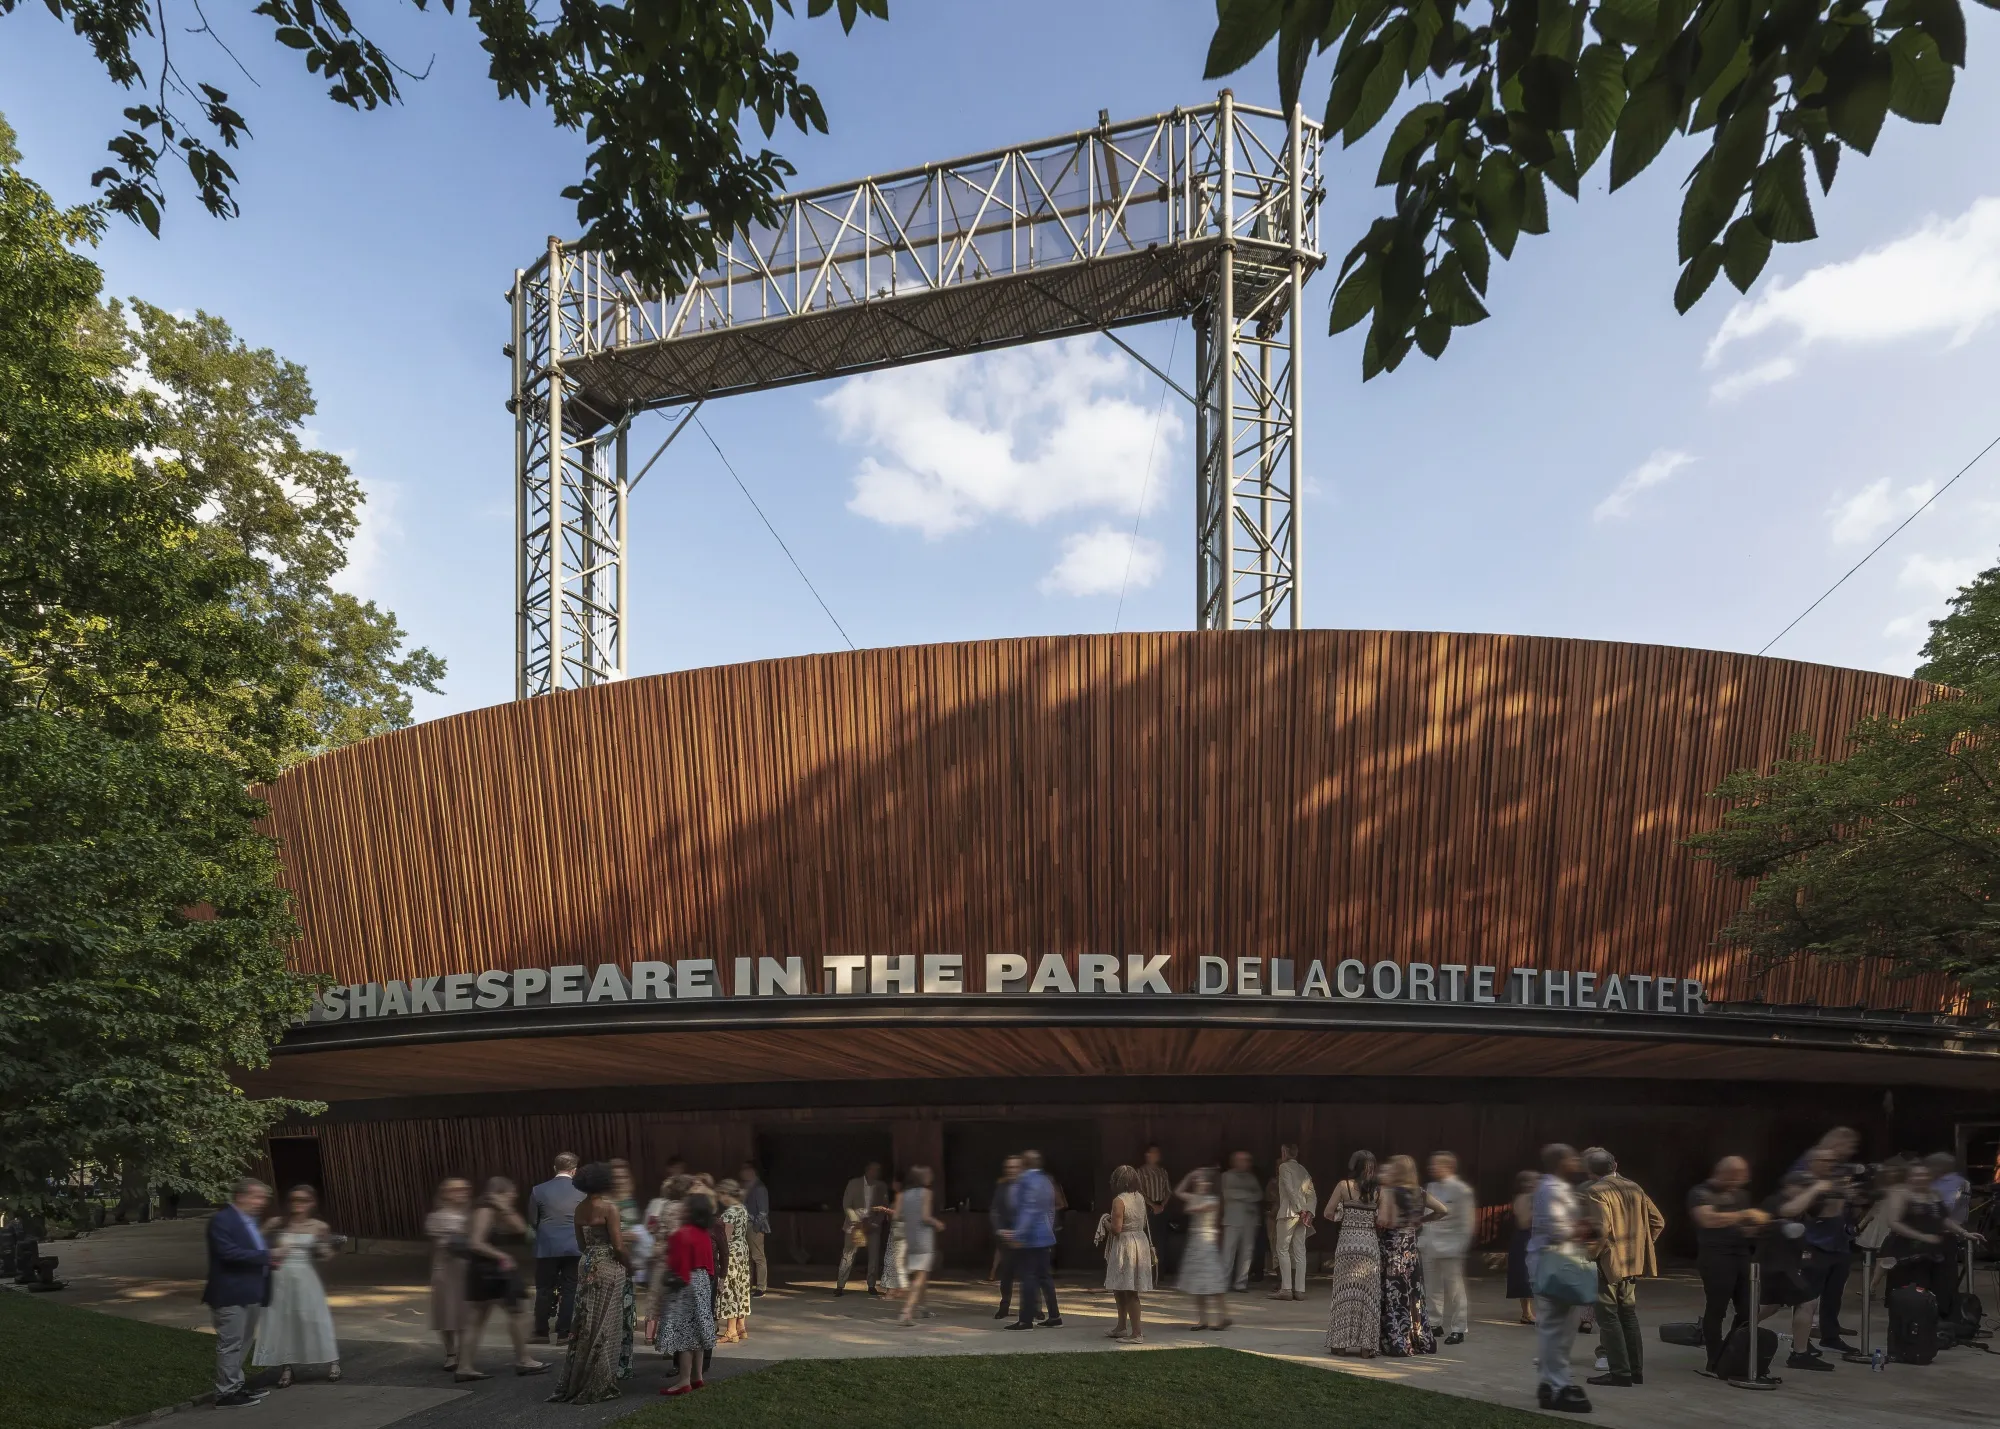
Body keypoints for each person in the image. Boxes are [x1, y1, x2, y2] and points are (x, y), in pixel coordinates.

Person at [1580, 1147, 1663, 1388]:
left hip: (1607, 1262)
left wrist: (1590, 1255)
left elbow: (1602, 1229)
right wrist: (1640, 1246)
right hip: (1632, 1262)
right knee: (1628, 1314)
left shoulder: (1595, 1191)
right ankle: (1635, 1371)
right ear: (1614, 1165)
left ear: (1589, 1171)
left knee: (1609, 1318)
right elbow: (1658, 1221)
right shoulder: (1634, 1187)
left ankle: (1620, 1372)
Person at [546, 1162, 629, 1404]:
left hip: (587, 1261)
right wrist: (630, 1265)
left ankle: (576, 1379)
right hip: (607, 1264)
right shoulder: (609, 1208)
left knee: (584, 1320)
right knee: (605, 1322)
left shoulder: (580, 1209)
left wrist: (592, 1255)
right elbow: (619, 1245)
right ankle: (598, 1382)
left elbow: (581, 1244)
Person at [459, 1177, 550, 1382]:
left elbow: (520, 1229)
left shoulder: (495, 1210)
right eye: (511, 1194)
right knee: (518, 1311)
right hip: (489, 1270)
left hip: (483, 1269)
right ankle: (523, 1360)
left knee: (480, 1318)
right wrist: (502, 1256)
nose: (513, 1198)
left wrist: (504, 1208)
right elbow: (475, 1243)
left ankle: (465, 1367)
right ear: (499, 1192)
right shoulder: (485, 1210)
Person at [1688, 1155, 1769, 1384]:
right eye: (1735, 1177)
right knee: (1717, 1309)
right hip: (1716, 1257)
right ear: (1722, 1173)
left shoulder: (1741, 1195)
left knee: (1747, 1309)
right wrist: (1744, 1215)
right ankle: (1714, 1359)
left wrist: (1757, 1226)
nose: (1738, 1183)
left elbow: (1744, 1226)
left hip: (1742, 1254)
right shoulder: (1701, 1192)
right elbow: (1707, 1219)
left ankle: (1731, 1353)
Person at [1528, 1143, 1594, 1413]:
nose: (1577, 1162)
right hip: (1556, 1263)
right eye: (1572, 1158)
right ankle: (1558, 1385)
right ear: (1560, 1162)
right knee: (1559, 1328)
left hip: (1554, 1260)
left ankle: (1549, 1381)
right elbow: (1558, 1229)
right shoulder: (1553, 1189)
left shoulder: (1553, 1187)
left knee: (1554, 1327)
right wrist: (1587, 1229)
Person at [254, 1185, 341, 1388]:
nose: (297, 1204)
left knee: (314, 1318)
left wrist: (328, 1246)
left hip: (305, 1275)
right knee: (283, 1319)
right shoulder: (278, 1223)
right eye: (294, 1200)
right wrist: (272, 1249)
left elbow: (326, 1255)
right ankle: (287, 1367)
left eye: (303, 1200)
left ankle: (332, 1362)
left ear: (312, 1203)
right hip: (280, 1276)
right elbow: (254, 1240)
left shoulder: (318, 1226)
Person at [1886, 1159, 1986, 1323]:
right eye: (1917, 1174)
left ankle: (1937, 1326)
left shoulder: (1934, 1194)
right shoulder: (1900, 1192)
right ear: (1910, 1176)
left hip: (1938, 1247)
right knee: (1916, 1288)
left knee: (1942, 1287)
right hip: (1910, 1249)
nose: (1921, 1178)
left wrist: (1964, 1233)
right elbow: (1894, 1222)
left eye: (1924, 1174)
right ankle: (1911, 1327)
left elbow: (1943, 1219)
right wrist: (1922, 1236)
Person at [202, 1178, 272, 1408]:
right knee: (230, 1343)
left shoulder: (250, 1222)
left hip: (251, 1291)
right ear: (241, 1196)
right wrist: (267, 1257)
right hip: (229, 1293)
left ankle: (235, 1385)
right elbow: (228, 1253)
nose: (262, 1202)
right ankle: (225, 1394)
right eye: (257, 1197)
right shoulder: (222, 1220)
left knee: (243, 1342)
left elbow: (256, 1251)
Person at [1377, 1155, 1443, 1358]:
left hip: (1393, 1248)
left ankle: (1397, 1340)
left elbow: (1386, 1221)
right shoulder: (1420, 1192)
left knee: (1392, 1293)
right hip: (1411, 1249)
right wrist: (1422, 1219)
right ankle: (1420, 1338)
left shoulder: (1389, 1191)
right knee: (1413, 1293)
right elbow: (1442, 1210)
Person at [656, 1193, 718, 1397]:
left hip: (685, 1285)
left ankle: (683, 1380)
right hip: (702, 1283)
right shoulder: (704, 1234)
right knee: (698, 1332)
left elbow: (678, 1266)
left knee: (683, 1334)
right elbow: (710, 1267)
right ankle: (697, 1376)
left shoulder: (681, 1234)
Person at [1323, 1151, 1382, 1356]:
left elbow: (1328, 1213)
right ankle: (1367, 1346)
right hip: (1369, 1245)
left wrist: (1342, 1212)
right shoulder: (1379, 1190)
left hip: (1347, 1244)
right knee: (1368, 1295)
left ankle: (1339, 1344)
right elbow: (1382, 1219)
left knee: (1343, 1292)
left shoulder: (1344, 1186)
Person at [527, 1152, 585, 1344]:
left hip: (547, 1247)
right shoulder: (582, 1190)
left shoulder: (538, 1190)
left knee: (544, 1288)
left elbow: (533, 1221)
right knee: (570, 1288)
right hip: (574, 1246)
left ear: (554, 1168)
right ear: (574, 1170)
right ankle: (563, 1333)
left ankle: (541, 1332)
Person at [1003, 1149, 1062, 1329]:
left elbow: (1028, 1209)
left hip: (1030, 1236)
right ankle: (1054, 1316)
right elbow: (1051, 1208)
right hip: (1045, 1235)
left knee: (1028, 1277)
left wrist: (1018, 1233)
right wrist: (1049, 1228)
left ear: (1025, 1164)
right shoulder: (1046, 1180)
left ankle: (1025, 1320)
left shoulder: (1025, 1180)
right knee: (1045, 1277)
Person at [1423, 1151, 1476, 1346]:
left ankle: (1458, 1328)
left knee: (1455, 1290)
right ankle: (1434, 1323)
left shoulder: (1462, 1190)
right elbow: (1426, 1214)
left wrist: (1460, 1246)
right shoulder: (1431, 1186)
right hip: (1430, 1242)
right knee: (1432, 1287)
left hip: (1452, 1245)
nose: (1432, 1168)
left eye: (1436, 1165)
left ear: (1449, 1167)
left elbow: (1467, 1222)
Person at [1102, 1164, 1155, 1342]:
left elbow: (1116, 1229)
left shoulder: (1119, 1200)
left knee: (1130, 1290)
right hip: (1140, 1241)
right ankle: (1121, 1327)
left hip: (1125, 1245)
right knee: (1120, 1287)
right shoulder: (1139, 1197)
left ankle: (1136, 1333)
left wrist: (1105, 1222)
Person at [1175, 1166, 1229, 1330]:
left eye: (1203, 1181)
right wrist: (1190, 1175)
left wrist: (1195, 1196)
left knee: (1212, 1281)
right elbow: (1177, 1191)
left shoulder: (1212, 1201)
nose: (1200, 1183)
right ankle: (1203, 1319)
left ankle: (1223, 1316)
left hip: (1206, 1242)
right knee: (1197, 1284)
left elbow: (1193, 1209)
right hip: (1195, 1243)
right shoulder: (1196, 1197)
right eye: (1199, 1181)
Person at [897, 1166, 946, 1326]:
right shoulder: (926, 1193)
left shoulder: (902, 1195)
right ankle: (907, 1312)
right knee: (920, 1277)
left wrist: (911, 1217)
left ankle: (922, 1308)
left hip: (910, 1237)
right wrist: (937, 1223)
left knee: (921, 1274)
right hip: (923, 1238)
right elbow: (925, 1216)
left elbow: (897, 1216)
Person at [835, 1161, 888, 1297]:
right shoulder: (854, 1184)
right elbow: (847, 1204)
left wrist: (874, 1223)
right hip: (855, 1225)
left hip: (872, 1225)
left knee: (874, 1257)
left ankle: (871, 1285)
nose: (875, 1173)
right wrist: (856, 1222)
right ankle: (840, 1285)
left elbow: (884, 1208)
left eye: (878, 1170)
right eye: (873, 1170)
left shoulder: (881, 1186)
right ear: (867, 1170)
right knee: (848, 1255)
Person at [1270, 1144, 1315, 1301]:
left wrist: (1298, 1208)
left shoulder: (1284, 1167)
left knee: (1282, 1249)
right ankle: (1300, 1290)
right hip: (1302, 1215)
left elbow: (1289, 1189)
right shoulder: (1303, 1170)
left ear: (1284, 1152)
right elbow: (1312, 1194)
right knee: (1299, 1251)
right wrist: (1308, 1211)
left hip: (1288, 1213)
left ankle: (1286, 1288)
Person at [713, 1179, 753, 1342]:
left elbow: (725, 1238)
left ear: (725, 1194)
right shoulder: (742, 1209)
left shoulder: (730, 1213)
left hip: (732, 1252)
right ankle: (741, 1327)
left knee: (729, 1288)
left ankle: (730, 1331)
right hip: (742, 1251)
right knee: (741, 1287)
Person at [1219, 1150, 1262, 1293]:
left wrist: (1241, 1195)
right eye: (1241, 1160)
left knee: (1247, 1253)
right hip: (1232, 1220)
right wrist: (1247, 1195)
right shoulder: (1226, 1176)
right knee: (1227, 1253)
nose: (1245, 1163)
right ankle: (1223, 1283)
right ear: (1234, 1161)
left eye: (1247, 1160)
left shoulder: (1251, 1178)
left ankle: (1240, 1283)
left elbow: (1259, 1195)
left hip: (1250, 1221)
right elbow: (1228, 1194)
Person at [991, 1156, 1023, 1320]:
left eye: (1015, 1167)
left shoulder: (1028, 1187)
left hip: (1024, 1237)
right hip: (1006, 1237)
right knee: (1006, 1274)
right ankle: (1004, 1306)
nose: (1011, 1170)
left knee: (1029, 1274)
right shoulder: (1001, 1187)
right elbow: (995, 1210)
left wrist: (1021, 1232)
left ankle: (1033, 1308)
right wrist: (1000, 1230)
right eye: (1009, 1167)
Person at [1506, 1169, 1537, 1324]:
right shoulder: (1523, 1198)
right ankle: (1526, 1313)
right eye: (1528, 1181)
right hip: (1525, 1239)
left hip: (1534, 1238)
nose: (1532, 1184)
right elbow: (1524, 1222)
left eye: (1535, 1180)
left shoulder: (1537, 1197)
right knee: (1525, 1277)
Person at [1137, 1145, 1174, 1271]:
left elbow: (1168, 1191)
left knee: (1161, 1239)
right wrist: (1153, 1205)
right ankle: (1146, 1270)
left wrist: (1162, 1205)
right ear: (1147, 1155)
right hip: (1147, 1208)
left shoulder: (1162, 1172)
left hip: (1161, 1207)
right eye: (1153, 1153)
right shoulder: (1141, 1172)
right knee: (1147, 1239)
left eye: (1157, 1153)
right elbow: (1139, 1191)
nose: (1156, 1155)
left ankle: (1159, 1269)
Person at [739, 1163, 771, 1296]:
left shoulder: (759, 1187)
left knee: (758, 1256)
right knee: (747, 1256)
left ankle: (761, 1287)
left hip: (754, 1224)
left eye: (745, 1170)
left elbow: (763, 1210)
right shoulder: (745, 1186)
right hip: (744, 1223)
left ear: (751, 1171)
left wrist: (757, 1226)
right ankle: (748, 1283)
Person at [878, 1175, 908, 1300]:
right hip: (897, 1230)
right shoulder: (899, 1197)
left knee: (892, 1260)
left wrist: (885, 1210)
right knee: (897, 1260)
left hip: (900, 1230)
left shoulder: (902, 1197)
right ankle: (897, 1289)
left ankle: (891, 1292)